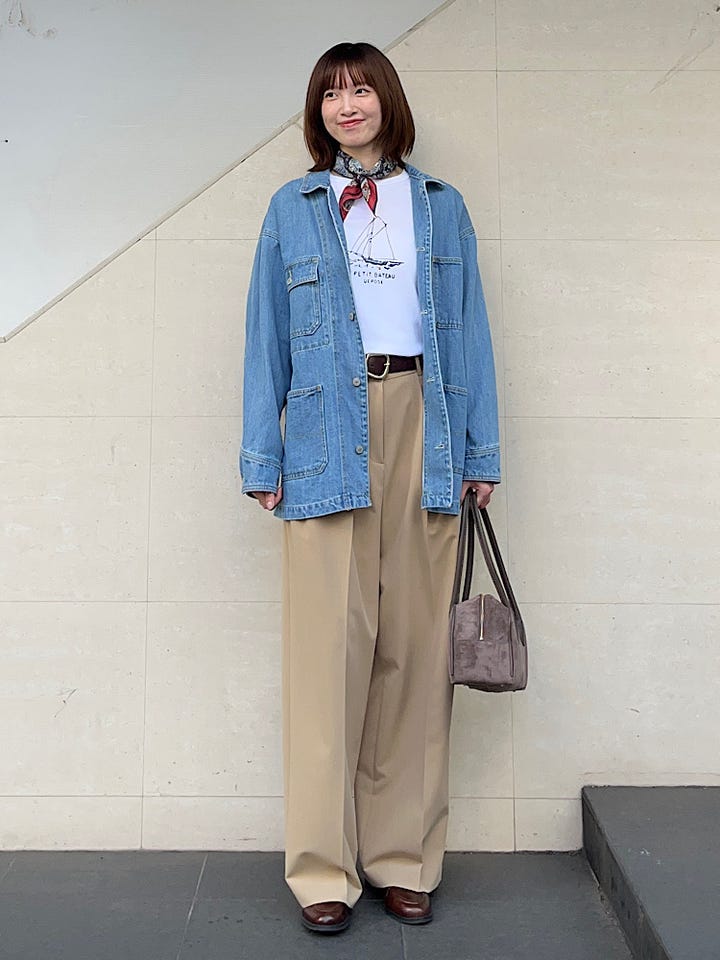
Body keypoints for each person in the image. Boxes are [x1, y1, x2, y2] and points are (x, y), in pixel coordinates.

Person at [240, 41, 499, 935]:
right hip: (325, 435)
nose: (346, 105)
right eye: (330, 94)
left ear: (387, 99)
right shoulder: (294, 207)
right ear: (317, 113)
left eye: (360, 90)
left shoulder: (441, 206)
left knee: (415, 653)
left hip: (426, 423)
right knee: (327, 657)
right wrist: (263, 458)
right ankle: (322, 868)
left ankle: (403, 859)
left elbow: (469, 329)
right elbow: (265, 332)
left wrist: (480, 451)